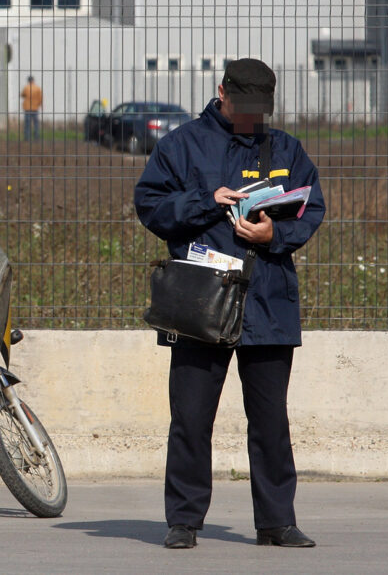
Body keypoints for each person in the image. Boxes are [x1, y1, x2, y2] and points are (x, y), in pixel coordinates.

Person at [133, 58, 326, 550]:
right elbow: (150, 205)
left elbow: (312, 208)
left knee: (270, 422)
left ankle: (276, 523)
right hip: (201, 302)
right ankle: (183, 521)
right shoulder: (181, 145)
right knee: (192, 419)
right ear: (222, 92)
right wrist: (205, 200)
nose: (251, 118)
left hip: (268, 301)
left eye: (260, 110)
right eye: (243, 107)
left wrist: (274, 232)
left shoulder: (286, 147)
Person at [21, 75, 43, 141]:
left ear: (28, 81)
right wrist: (40, 105)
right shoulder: (38, 88)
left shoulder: (26, 87)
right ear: (33, 80)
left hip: (27, 108)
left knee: (27, 123)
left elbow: (22, 95)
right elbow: (40, 97)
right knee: (36, 123)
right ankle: (36, 137)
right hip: (35, 108)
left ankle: (27, 137)